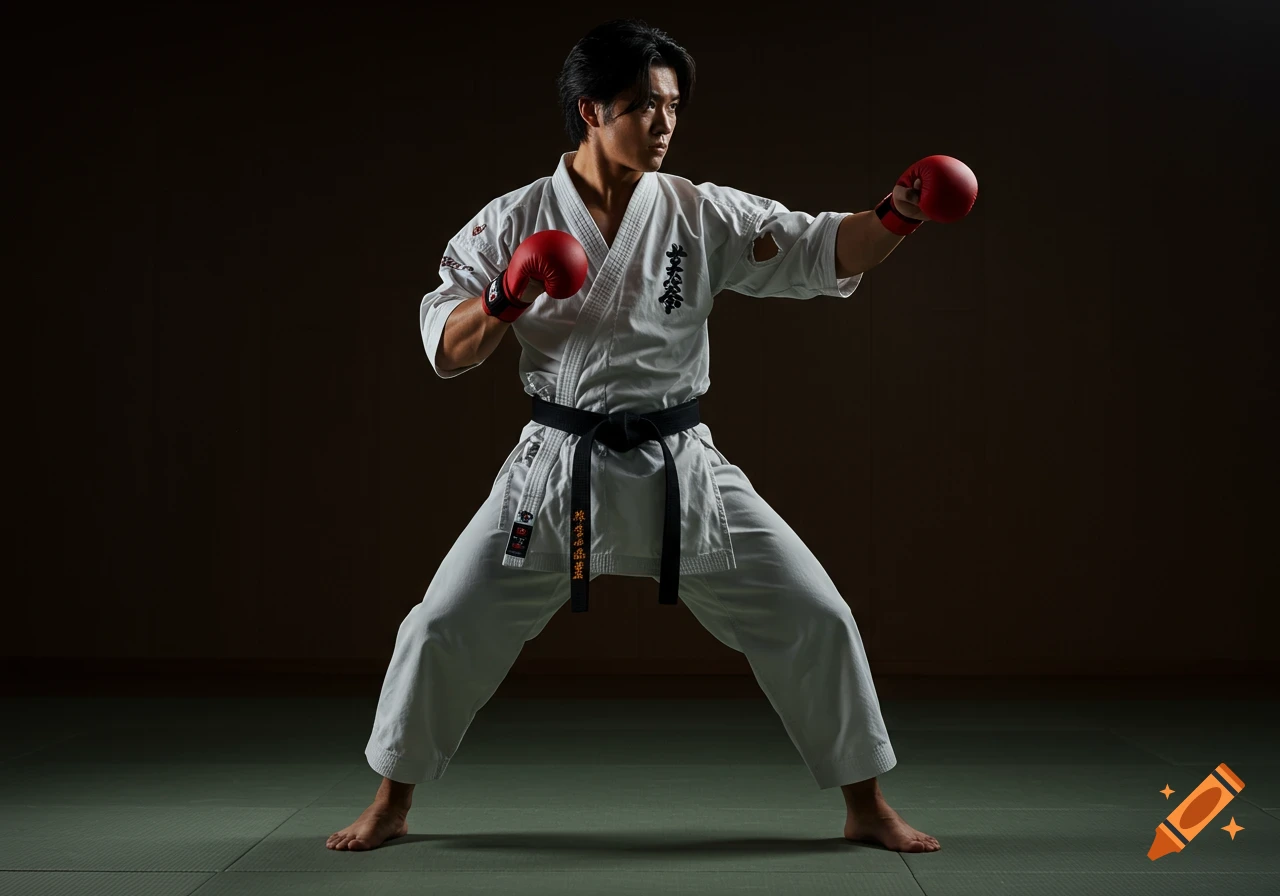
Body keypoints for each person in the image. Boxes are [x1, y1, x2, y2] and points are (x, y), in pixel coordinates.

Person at [328, 17, 975, 855]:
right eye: (643, 106)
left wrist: (896, 213)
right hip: (556, 467)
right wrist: (503, 297)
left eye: (673, 106)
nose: (664, 123)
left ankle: (866, 805)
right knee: (442, 626)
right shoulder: (513, 218)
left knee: (816, 615)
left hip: (682, 464)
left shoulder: (701, 212)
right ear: (591, 109)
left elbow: (819, 247)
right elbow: (448, 351)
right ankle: (391, 803)